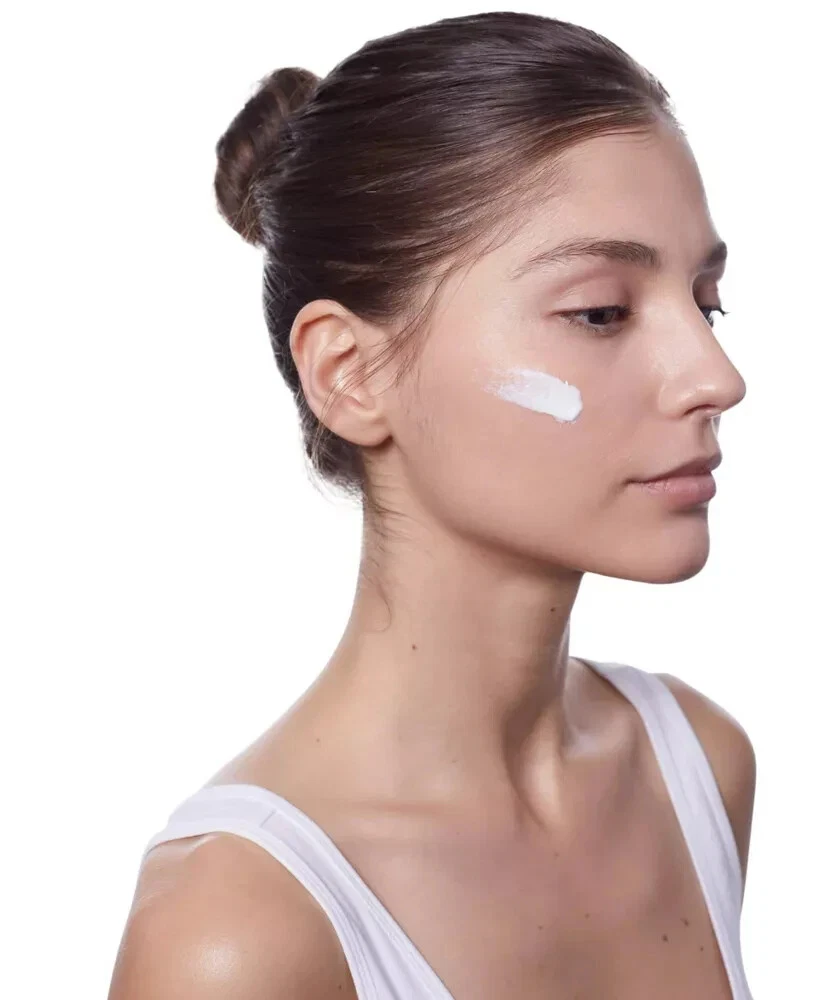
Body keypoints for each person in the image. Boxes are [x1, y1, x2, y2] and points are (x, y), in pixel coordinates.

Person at [108, 11, 755, 999]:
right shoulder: (236, 933)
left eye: (707, 303)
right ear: (350, 373)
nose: (715, 376)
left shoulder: (696, 768)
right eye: (600, 311)